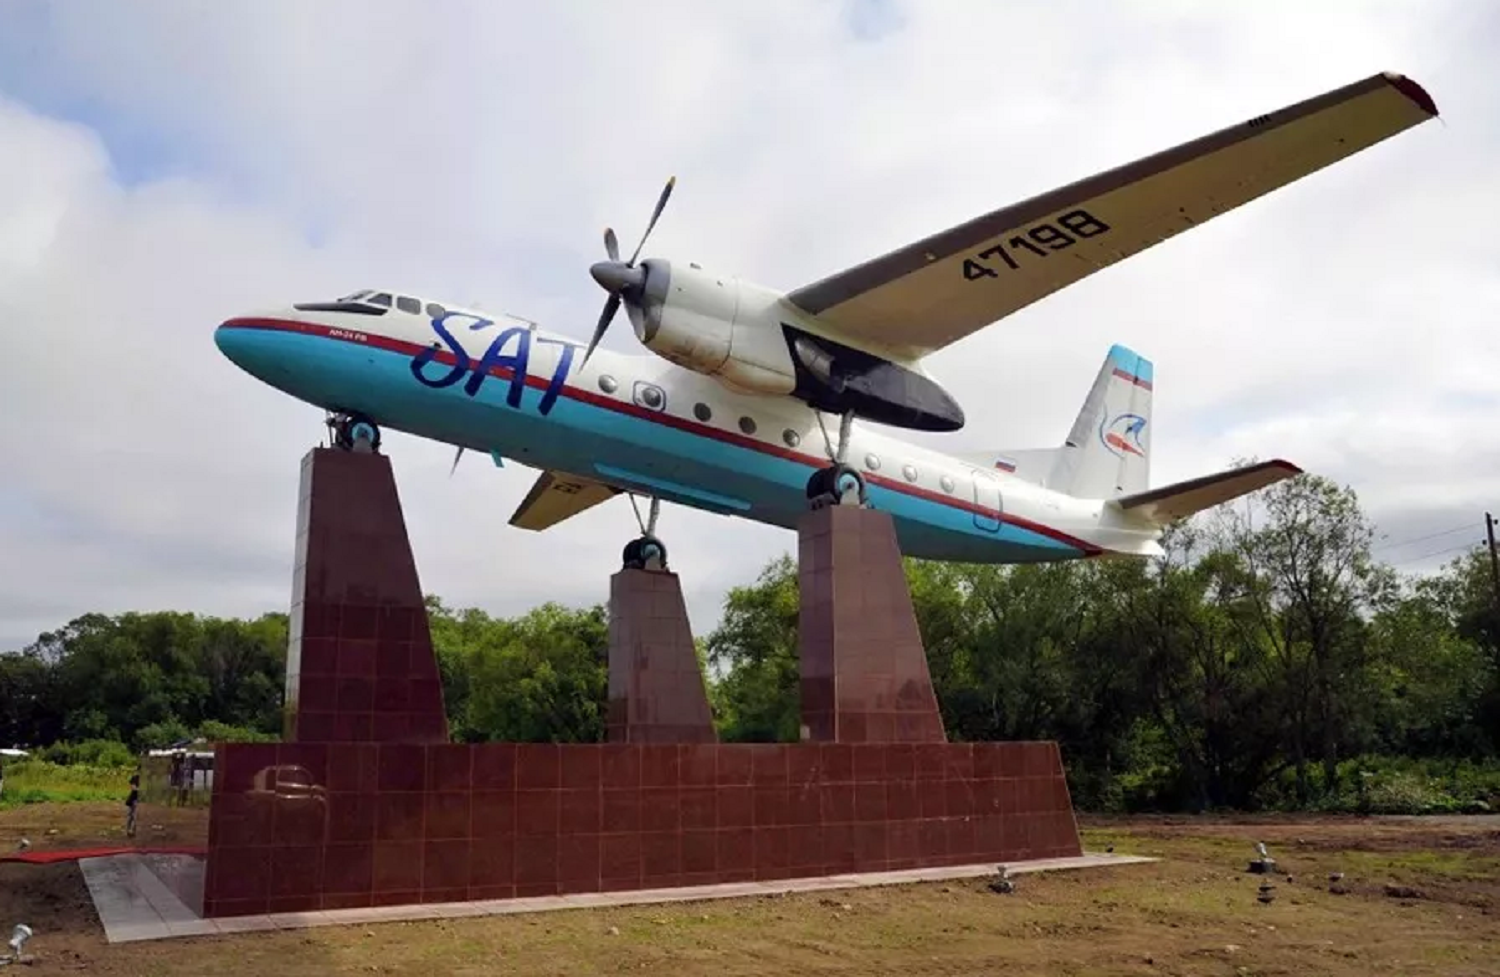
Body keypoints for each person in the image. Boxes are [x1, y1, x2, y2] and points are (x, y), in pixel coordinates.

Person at [124, 772, 140, 838]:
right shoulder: (135, 777)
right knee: (130, 816)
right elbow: (133, 788)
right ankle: (128, 831)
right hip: (133, 799)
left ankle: (132, 831)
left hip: (138, 800)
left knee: (135, 817)